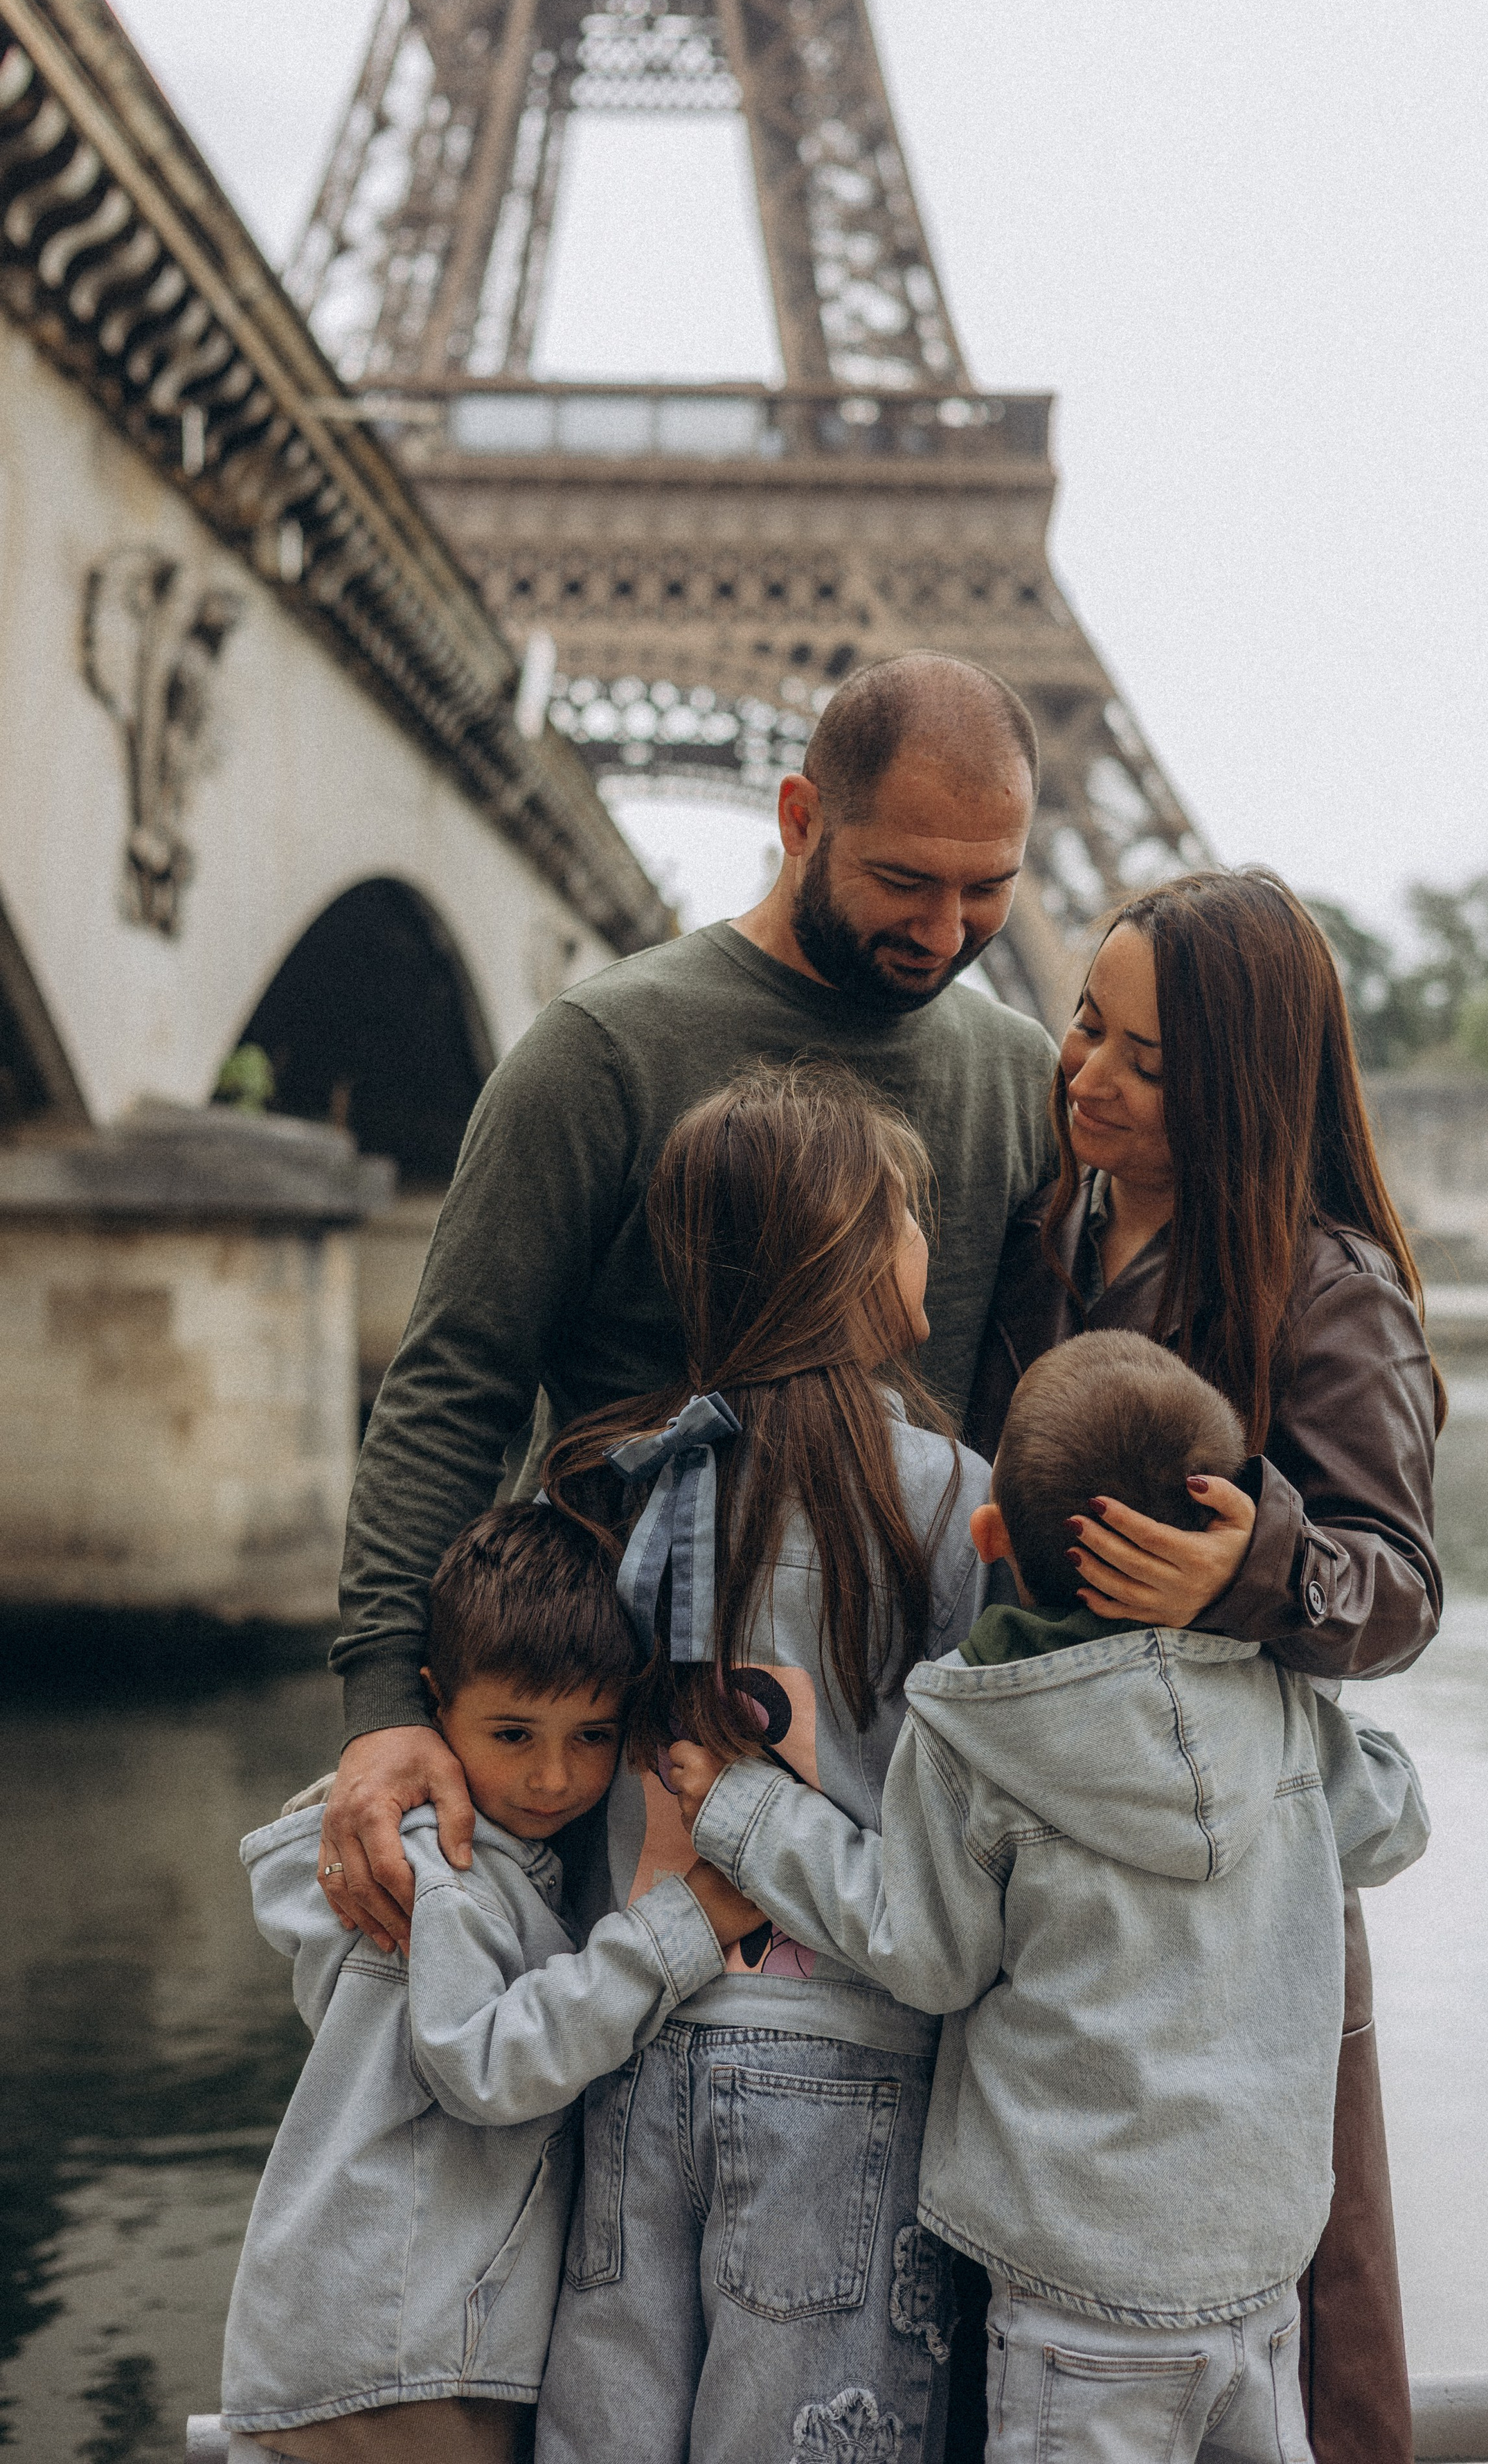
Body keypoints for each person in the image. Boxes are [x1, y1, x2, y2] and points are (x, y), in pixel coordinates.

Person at [320, 651, 1056, 1959]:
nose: (946, 932)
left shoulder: (1022, 1077)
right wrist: (386, 1705)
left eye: (987, 889)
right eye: (904, 881)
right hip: (617, 1780)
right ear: (799, 818)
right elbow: (455, 1389)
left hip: (904, 1798)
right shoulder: (598, 1052)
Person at [668, 1330, 1431, 2464]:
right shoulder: (1281, 1703)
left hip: (1077, 2290)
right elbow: (1394, 1821)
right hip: (1262, 2273)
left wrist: (750, 1815)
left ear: (990, 1539)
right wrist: (1275, 1635)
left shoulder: (976, 1732)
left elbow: (928, 1954)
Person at [964, 867, 1445, 2464]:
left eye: (1148, 1062)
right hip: (1050, 1844)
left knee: (1304, 2305)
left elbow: (1398, 1587)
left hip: (1243, 1884)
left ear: (1241, 1085)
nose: (1088, 1074)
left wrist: (1245, 1571)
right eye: (1084, 1026)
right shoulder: (1048, 1230)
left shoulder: (1328, 1289)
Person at [530, 1060, 1008, 2464]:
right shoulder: (952, 1501)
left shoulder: (615, 1476)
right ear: (847, 1249)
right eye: (906, 1214)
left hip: (631, 2044)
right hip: (847, 2066)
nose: (926, 1239)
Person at [221, 1502, 760, 2464]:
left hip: (373, 2342)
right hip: (402, 2357)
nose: (553, 1778)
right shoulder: (447, 1877)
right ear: (433, 1707)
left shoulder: (476, 1865)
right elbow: (484, 2064)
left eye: (592, 1737)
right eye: (514, 1734)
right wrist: (682, 1928)